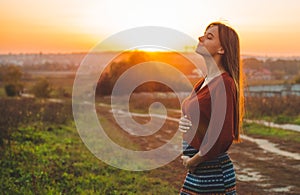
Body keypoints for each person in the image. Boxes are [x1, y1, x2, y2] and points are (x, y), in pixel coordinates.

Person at [179, 22, 244, 195]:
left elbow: (222, 135)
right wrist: (184, 123)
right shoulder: (204, 81)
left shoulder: (224, 83)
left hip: (212, 172)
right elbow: (201, 116)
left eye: (209, 37)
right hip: (199, 171)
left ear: (222, 49)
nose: (201, 38)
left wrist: (193, 161)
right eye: (203, 34)